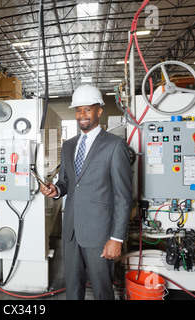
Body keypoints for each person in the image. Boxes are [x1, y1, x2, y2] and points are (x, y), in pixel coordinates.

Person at [40, 84, 132, 300]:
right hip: (71, 231)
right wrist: (55, 190)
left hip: (100, 234)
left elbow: (123, 197)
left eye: (87, 109)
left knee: (102, 290)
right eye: (78, 110)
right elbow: (66, 183)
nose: (82, 115)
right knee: (72, 288)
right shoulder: (69, 146)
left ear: (99, 111)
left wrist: (116, 238)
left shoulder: (114, 146)